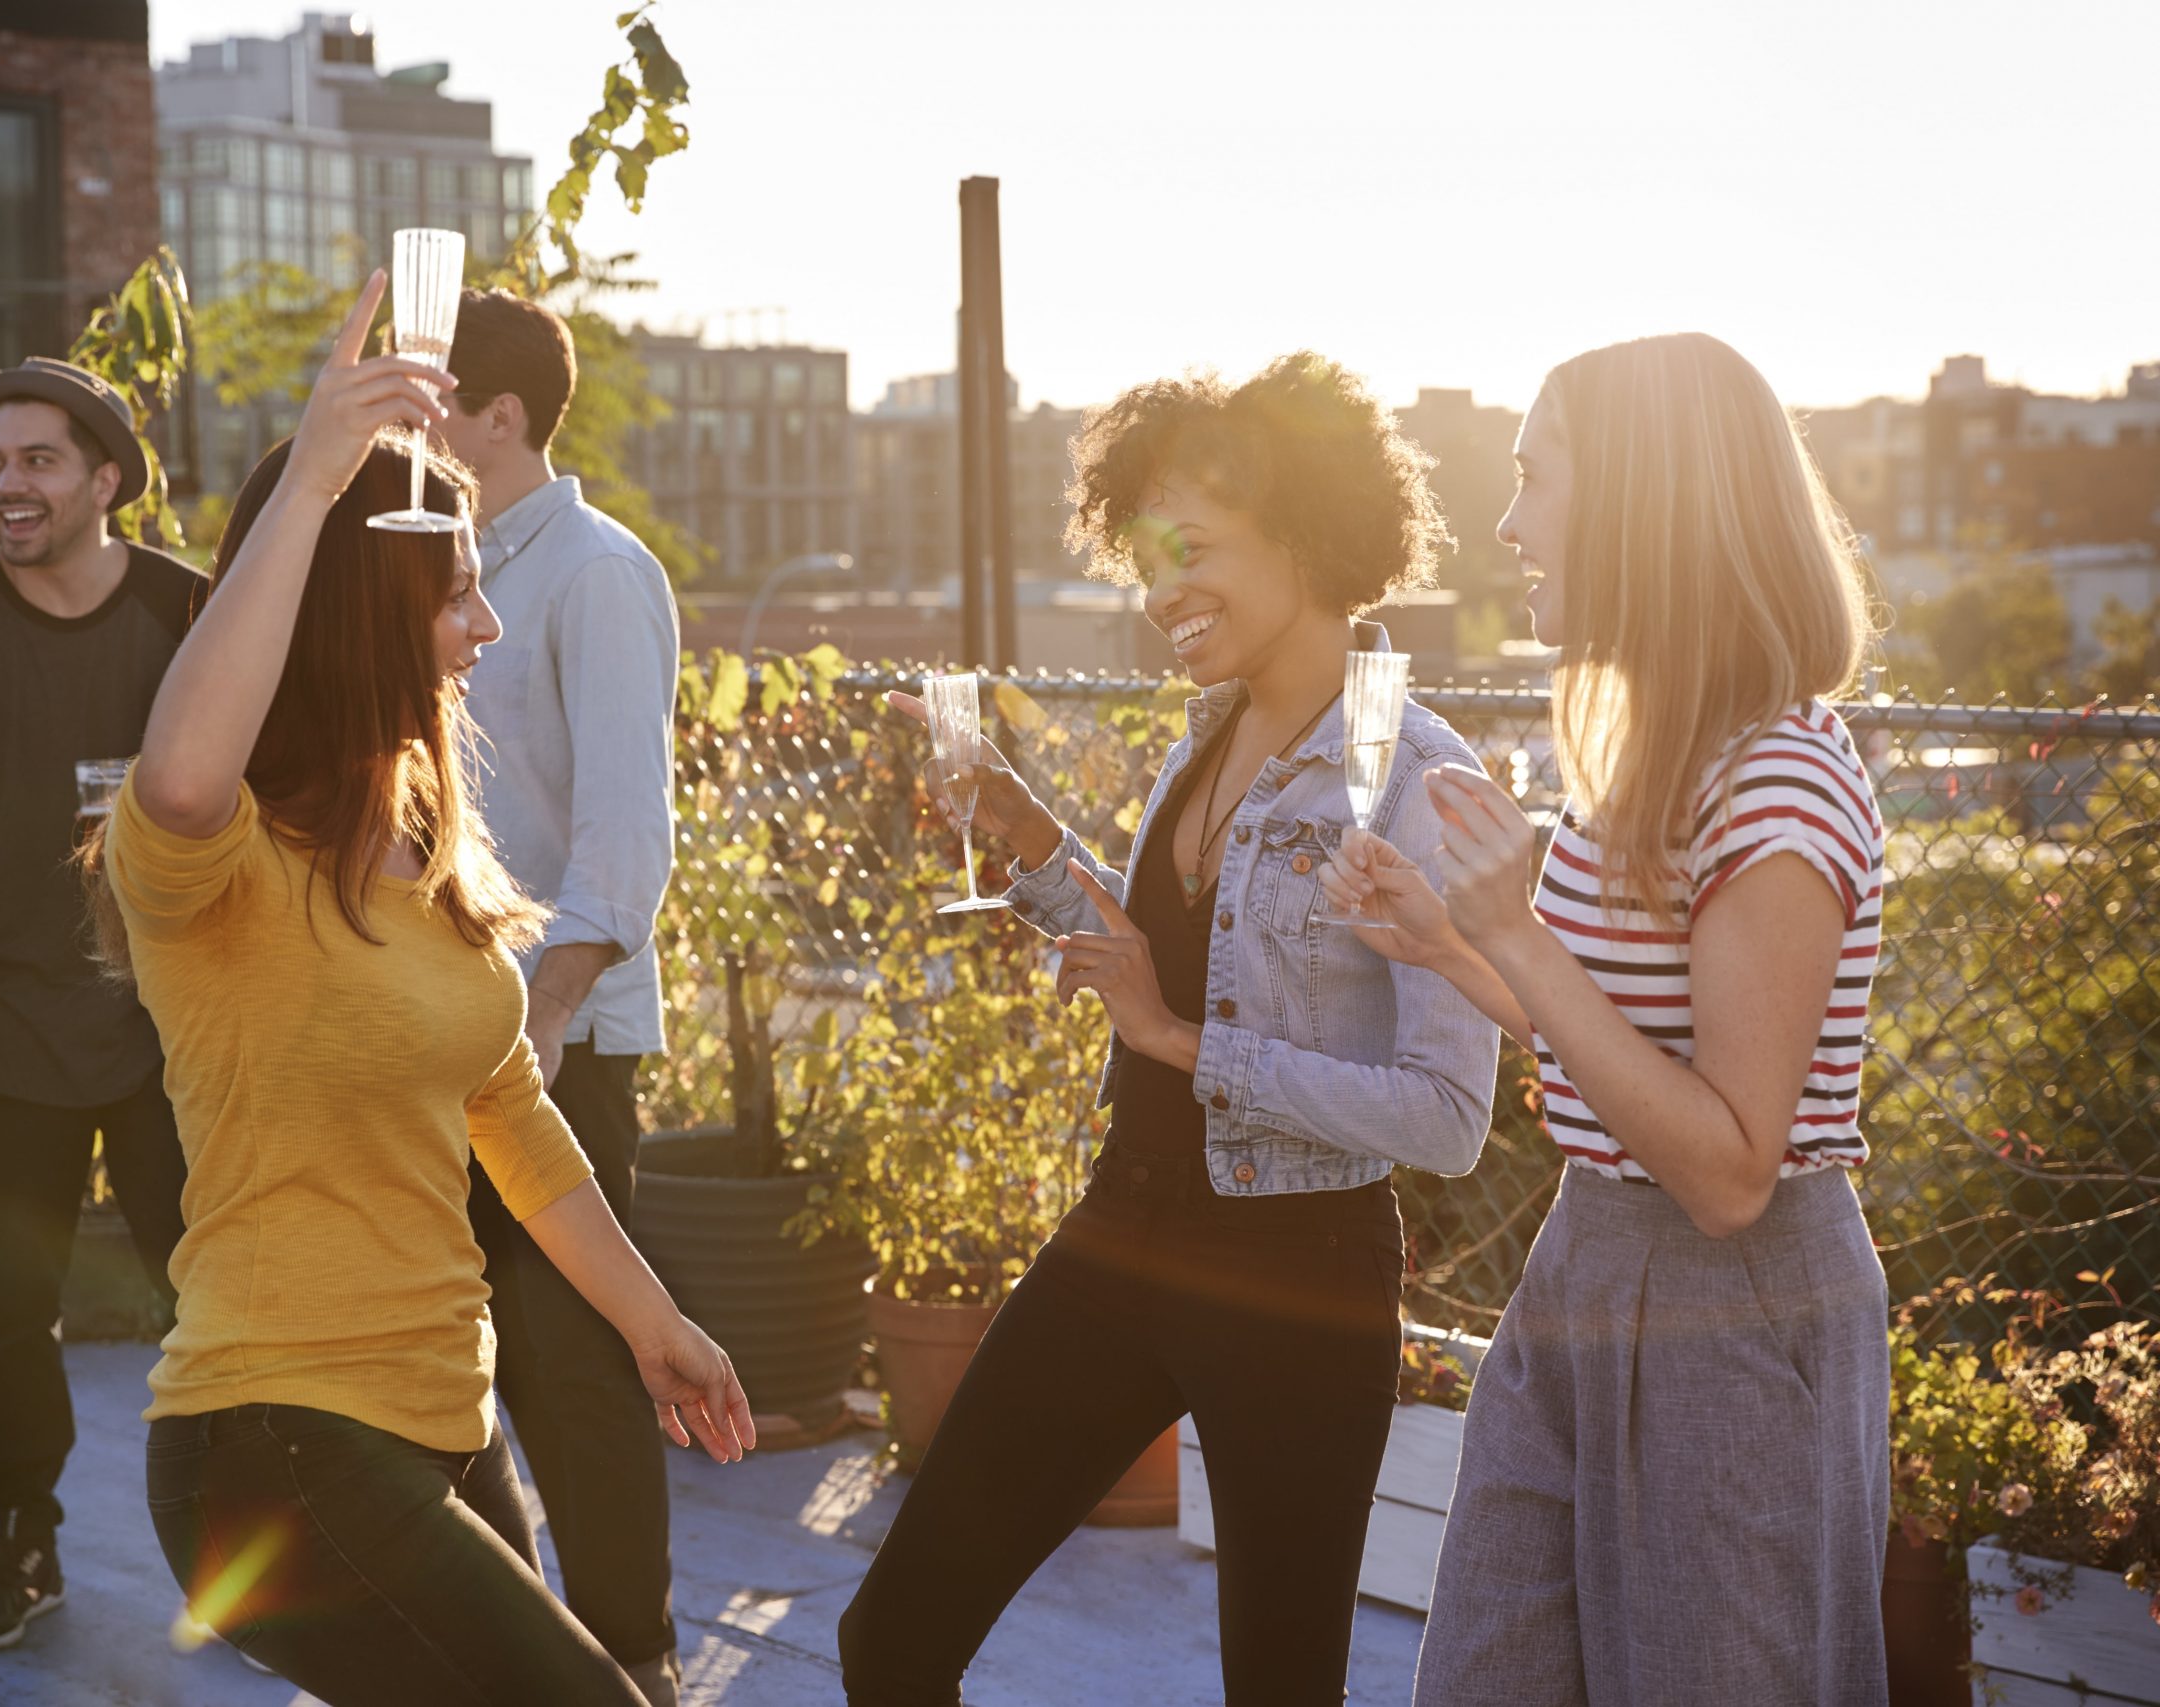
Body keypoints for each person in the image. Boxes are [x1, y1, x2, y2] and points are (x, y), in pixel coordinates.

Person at [95, 273, 752, 1706]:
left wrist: (661, 1328)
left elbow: (515, 1122)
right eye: (456, 591)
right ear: (363, 611)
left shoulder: (423, 859)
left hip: (441, 1428)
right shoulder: (217, 864)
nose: (486, 627)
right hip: (271, 1444)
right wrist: (318, 476)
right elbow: (191, 767)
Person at [837, 354, 1504, 1707]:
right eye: (1145, 563)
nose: (1160, 598)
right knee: (891, 1639)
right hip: (1125, 1230)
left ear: (1309, 534)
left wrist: (1180, 1046)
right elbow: (1171, 966)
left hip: (1299, 1277)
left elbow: (1446, 1113)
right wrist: (1023, 829)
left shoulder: (1420, 779)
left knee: (1281, 1688)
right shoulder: (1216, 732)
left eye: (1192, 552)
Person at [1322, 332, 1890, 1705]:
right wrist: (1454, 950)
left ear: (1647, 506)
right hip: (1586, 1268)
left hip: (1733, 1310)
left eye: (1536, 479)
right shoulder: (1653, 752)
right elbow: (1619, 1057)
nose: (1508, 523)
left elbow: (1729, 1166)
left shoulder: (1777, 789)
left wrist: (1514, 926)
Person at [0, 357, 204, 1651]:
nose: (8, 484)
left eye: (39, 461)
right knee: (11, 1303)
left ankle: (245, 1537)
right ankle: (26, 1537)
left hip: (175, 1026)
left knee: (211, 1291)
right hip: (7, 1028)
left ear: (105, 478)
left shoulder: (186, 609)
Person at [434, 288, 685, 1705]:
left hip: (553, 1050)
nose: (410, 422)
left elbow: (622, 841)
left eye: (432, 402)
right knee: (452, 1357)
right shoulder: (437, 565)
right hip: (443, 1041)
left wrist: (536, 1025)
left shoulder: (591, 571)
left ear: (501, 418)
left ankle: (636, 1667)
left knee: (580, 1380)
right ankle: (516, 1650)